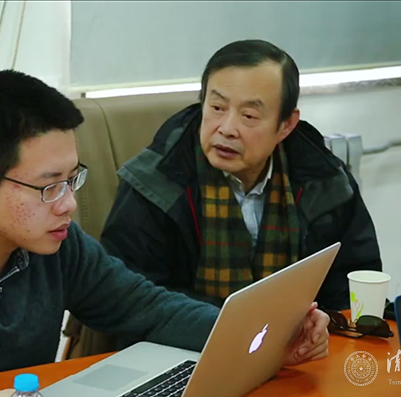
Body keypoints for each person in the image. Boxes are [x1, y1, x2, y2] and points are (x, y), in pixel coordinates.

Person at [0, 70, 330, 397]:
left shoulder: (56, 243)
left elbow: (148, 308)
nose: (68, 204)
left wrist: (269, 340)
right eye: (48, 186)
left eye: (71, 179)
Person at [101, 39, 382, 312]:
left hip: (298, 340)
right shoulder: (154, 183)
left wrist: (323, 323)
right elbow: (129, 298)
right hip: (184, 339)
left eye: (248, 116)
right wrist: (241, 323)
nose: (226, 128)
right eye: (217, 108)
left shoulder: (324, 180)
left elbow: (353, 285)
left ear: (286, 125)